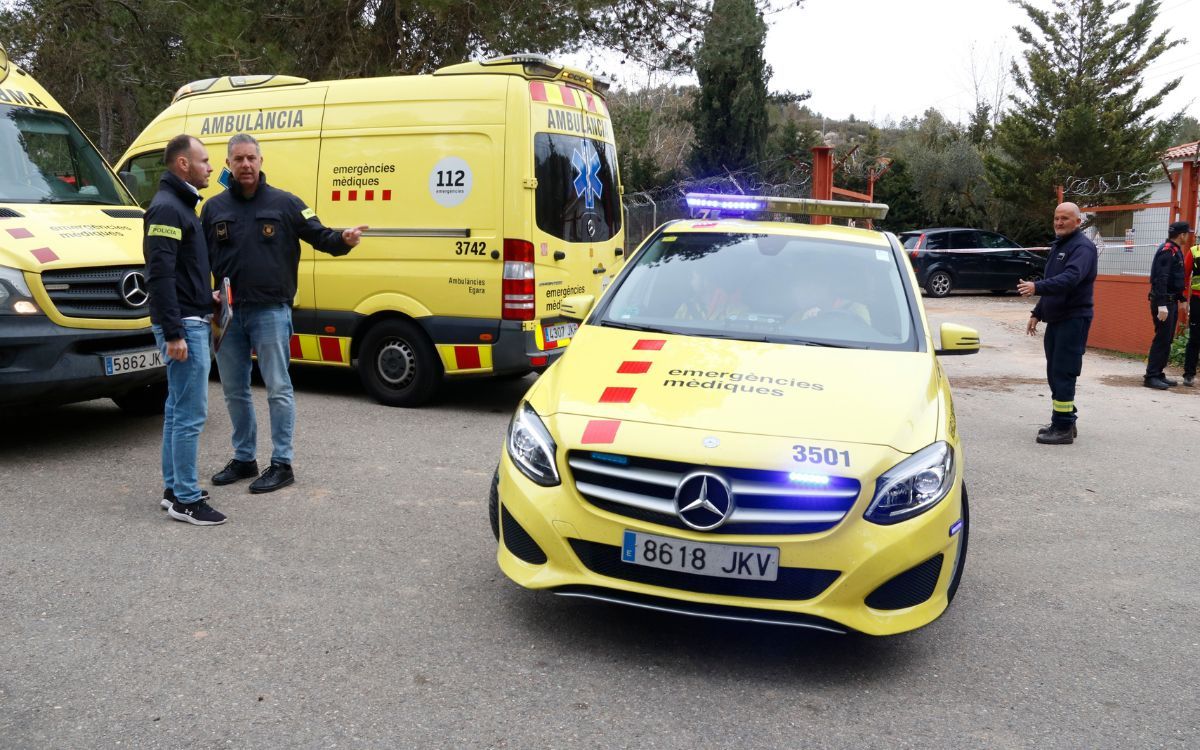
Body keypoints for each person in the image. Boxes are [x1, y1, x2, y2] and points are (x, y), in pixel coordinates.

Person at [202, 133, 367, 493]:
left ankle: (282, 463)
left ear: (261, 162)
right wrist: (205, 295)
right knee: (234, 390)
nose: (245, 165)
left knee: (278, 388)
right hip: (228, 314)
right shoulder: (213, 209)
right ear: (228, 164)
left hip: (271, 312)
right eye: (238, 159)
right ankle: (244, 458)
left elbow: (321, 236)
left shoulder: (286, 204)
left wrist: (345, 239)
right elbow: (200, 260)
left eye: (251, 158)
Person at [144, 134, 226, 525]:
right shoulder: (166, 209)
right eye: (205, 160)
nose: (212, 167)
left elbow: (178, 272)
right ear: (183, 165)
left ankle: (174, 488)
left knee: (177, 410)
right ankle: (186, 500)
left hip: (190, 317)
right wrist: (175, 332)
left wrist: (204, 296)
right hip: (184, 328)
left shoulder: (180, 205)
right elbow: (158, 275)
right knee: (190, 413)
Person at [1018, 202, 1097, 445]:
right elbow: (1053, 280)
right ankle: (1065, 420)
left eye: (1065, 218)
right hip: (1057, 319)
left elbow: (1070, 278)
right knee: (1055, 371)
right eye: (1056, 218)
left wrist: (1036, 287)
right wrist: (1037, 312)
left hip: (1073, 319)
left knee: (1063, 371)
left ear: (1078, 221)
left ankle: (1062, 427)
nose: (1059, 223)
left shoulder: (1083, 248)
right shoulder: (1060, 246)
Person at [1143, 221, 1189, 389]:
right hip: (1163, 302)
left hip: (1171, 300)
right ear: (1181, 235)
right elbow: (1160, 279)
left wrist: (1182, 298)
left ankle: (1158, 372)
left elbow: (1173, 279)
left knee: (1167, 338)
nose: (1188, 236)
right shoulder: (1167, 251)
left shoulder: (1176, 250)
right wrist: (1162, 304)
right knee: (1162, 338)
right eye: (1187, 234)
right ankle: (1151, 376)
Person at [1183, 229, 1200, 387]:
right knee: (1195, 338)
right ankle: (1189, 374)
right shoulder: (1194, 251)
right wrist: (1184, 299)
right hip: (1197, 300)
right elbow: (1185, 275)